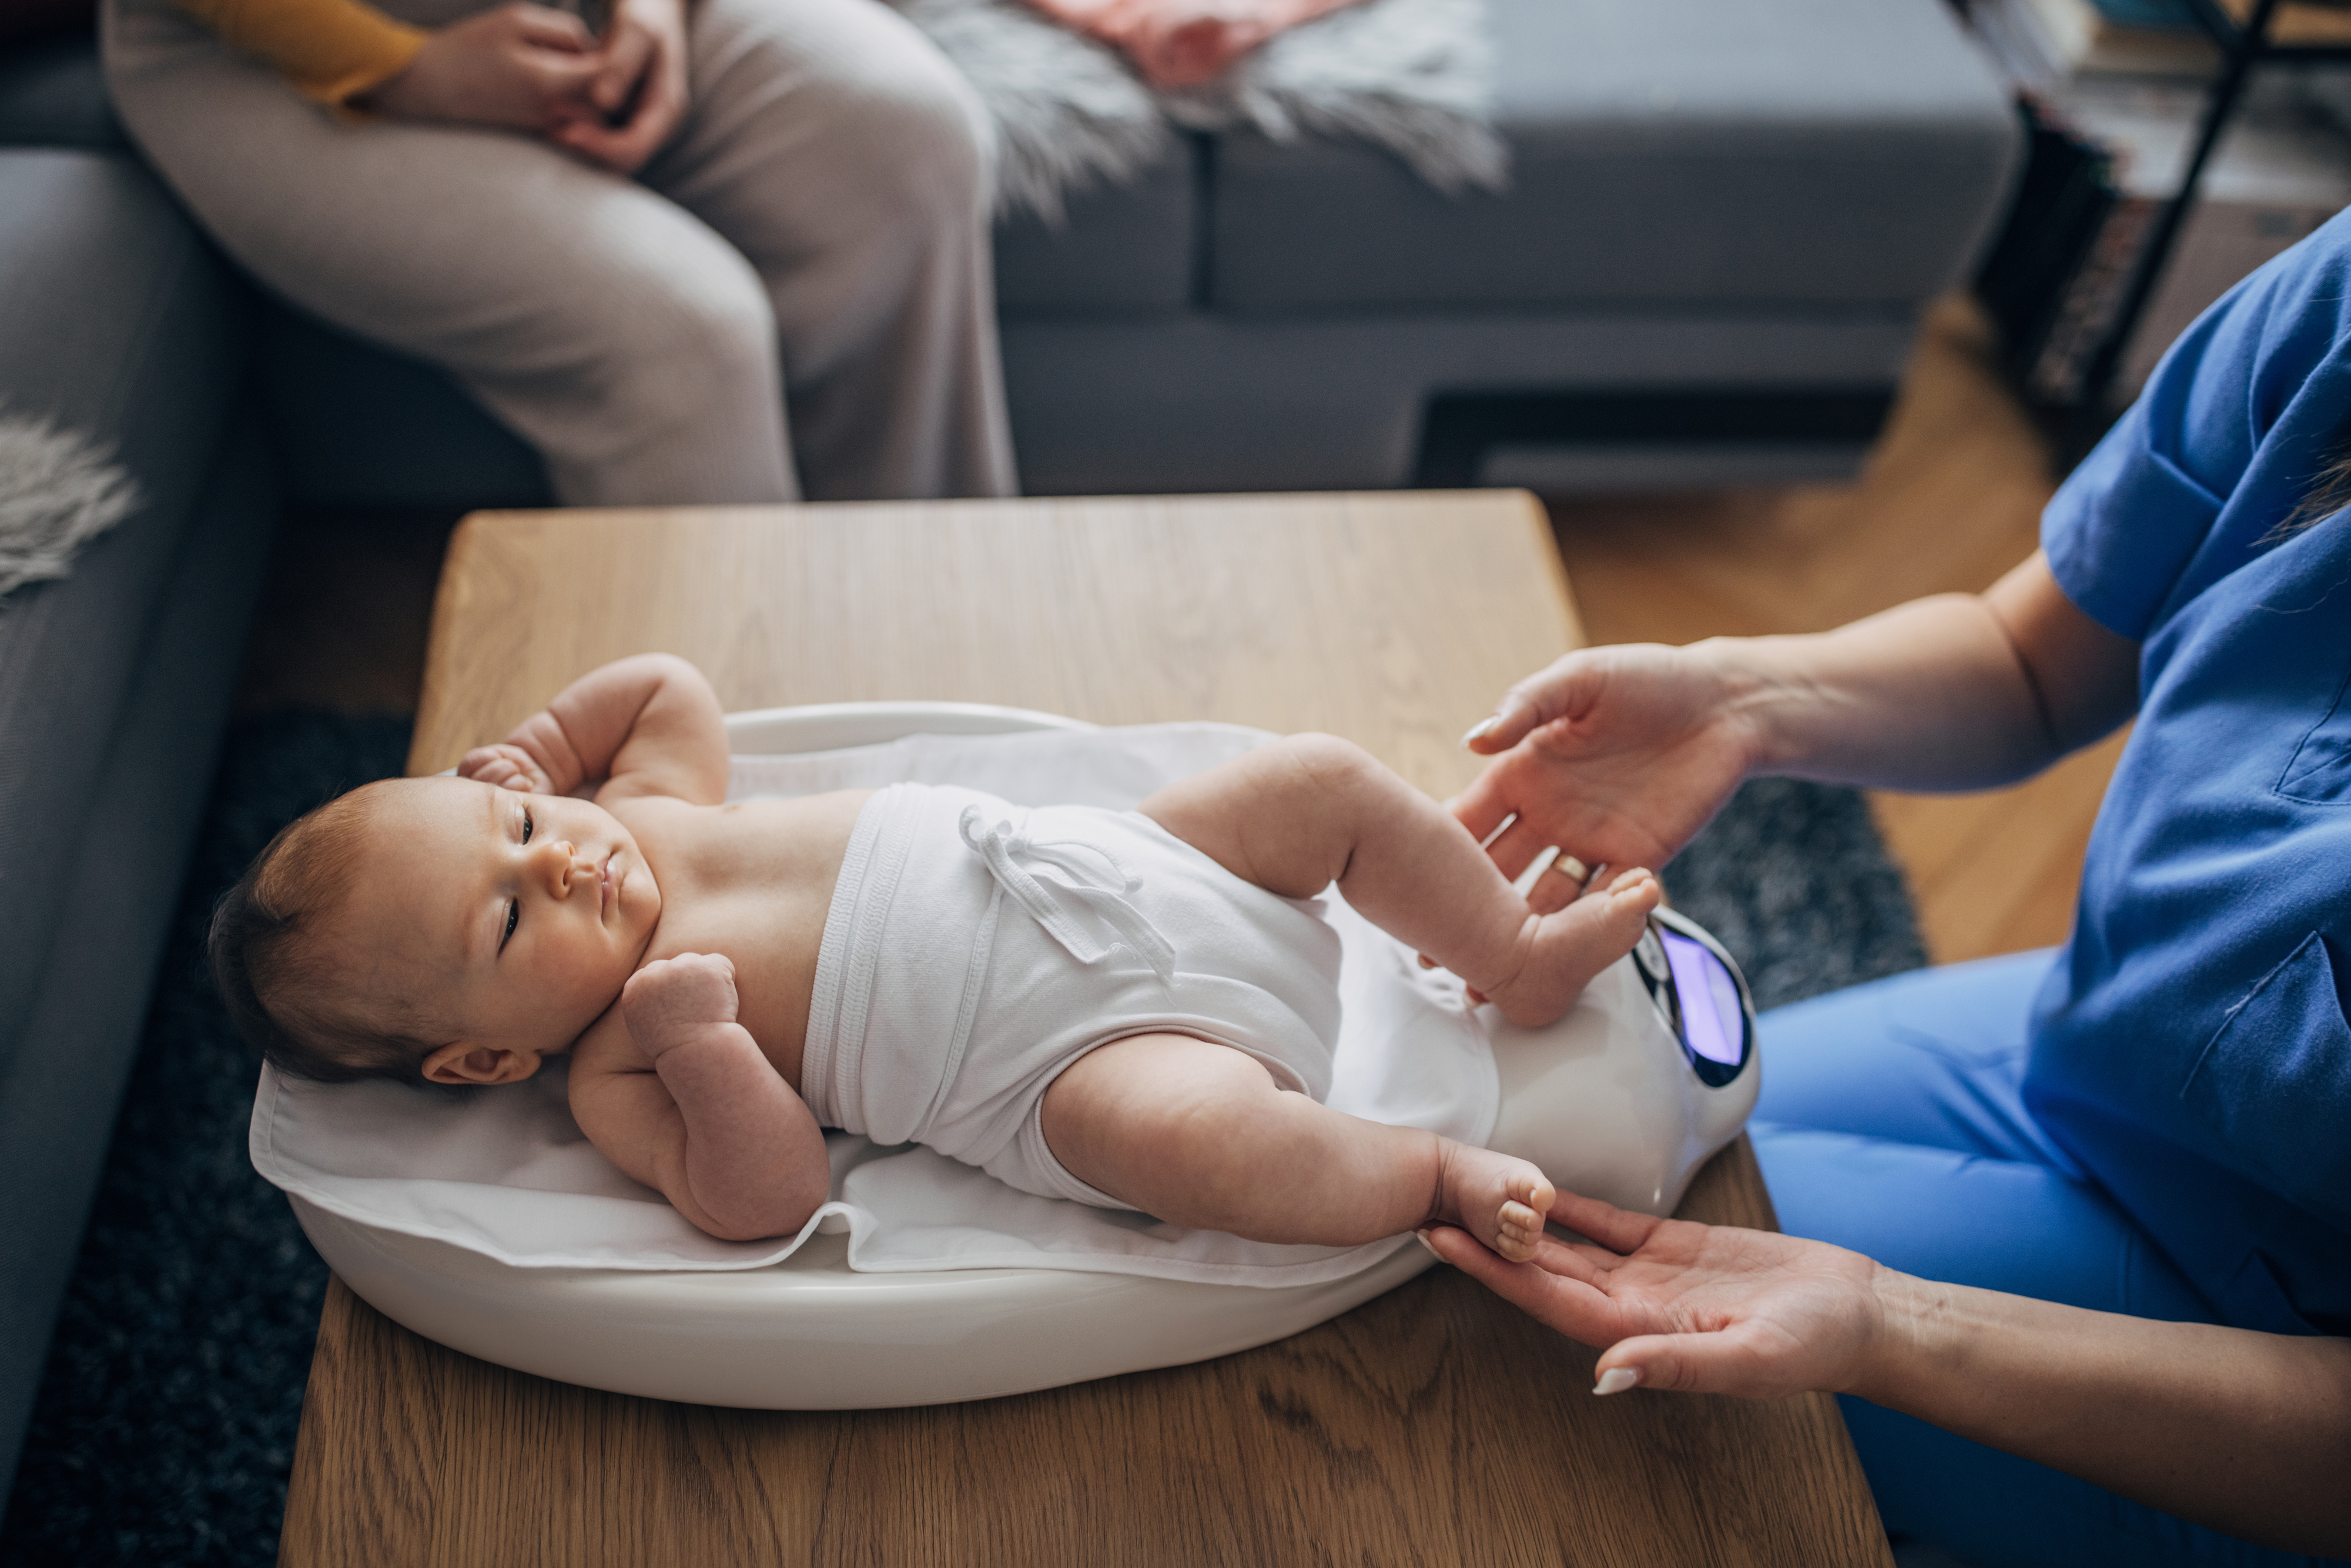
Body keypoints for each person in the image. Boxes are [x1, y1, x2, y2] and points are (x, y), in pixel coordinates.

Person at [1422, 209, 2351, 1567]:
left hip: (2282, 1387)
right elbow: (2030, 659)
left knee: (1491, 1296)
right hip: (2094, 1037)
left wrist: (1889, 1324)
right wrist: (1748, 694)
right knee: (1572, 1130)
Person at [208, 653, 1665, 1259]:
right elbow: (757, 1196)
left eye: (517, 818)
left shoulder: (644, 804)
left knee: (1317, 779)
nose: (558, 855)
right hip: (1080, 1062)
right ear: (480, 1056)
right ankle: (1424, 1172)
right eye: (510, 914)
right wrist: (710, 1042)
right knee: (1195, 1150)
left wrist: (538, 748)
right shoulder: (615, 1065)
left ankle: (1512, 954)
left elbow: (667, 682)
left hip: (1145, 863)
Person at [102, 0, 1017, 504]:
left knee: (908, 138)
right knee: (681, 331)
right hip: (263, 46)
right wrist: (398, 66)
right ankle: (719, 775)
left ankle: (927, 666)